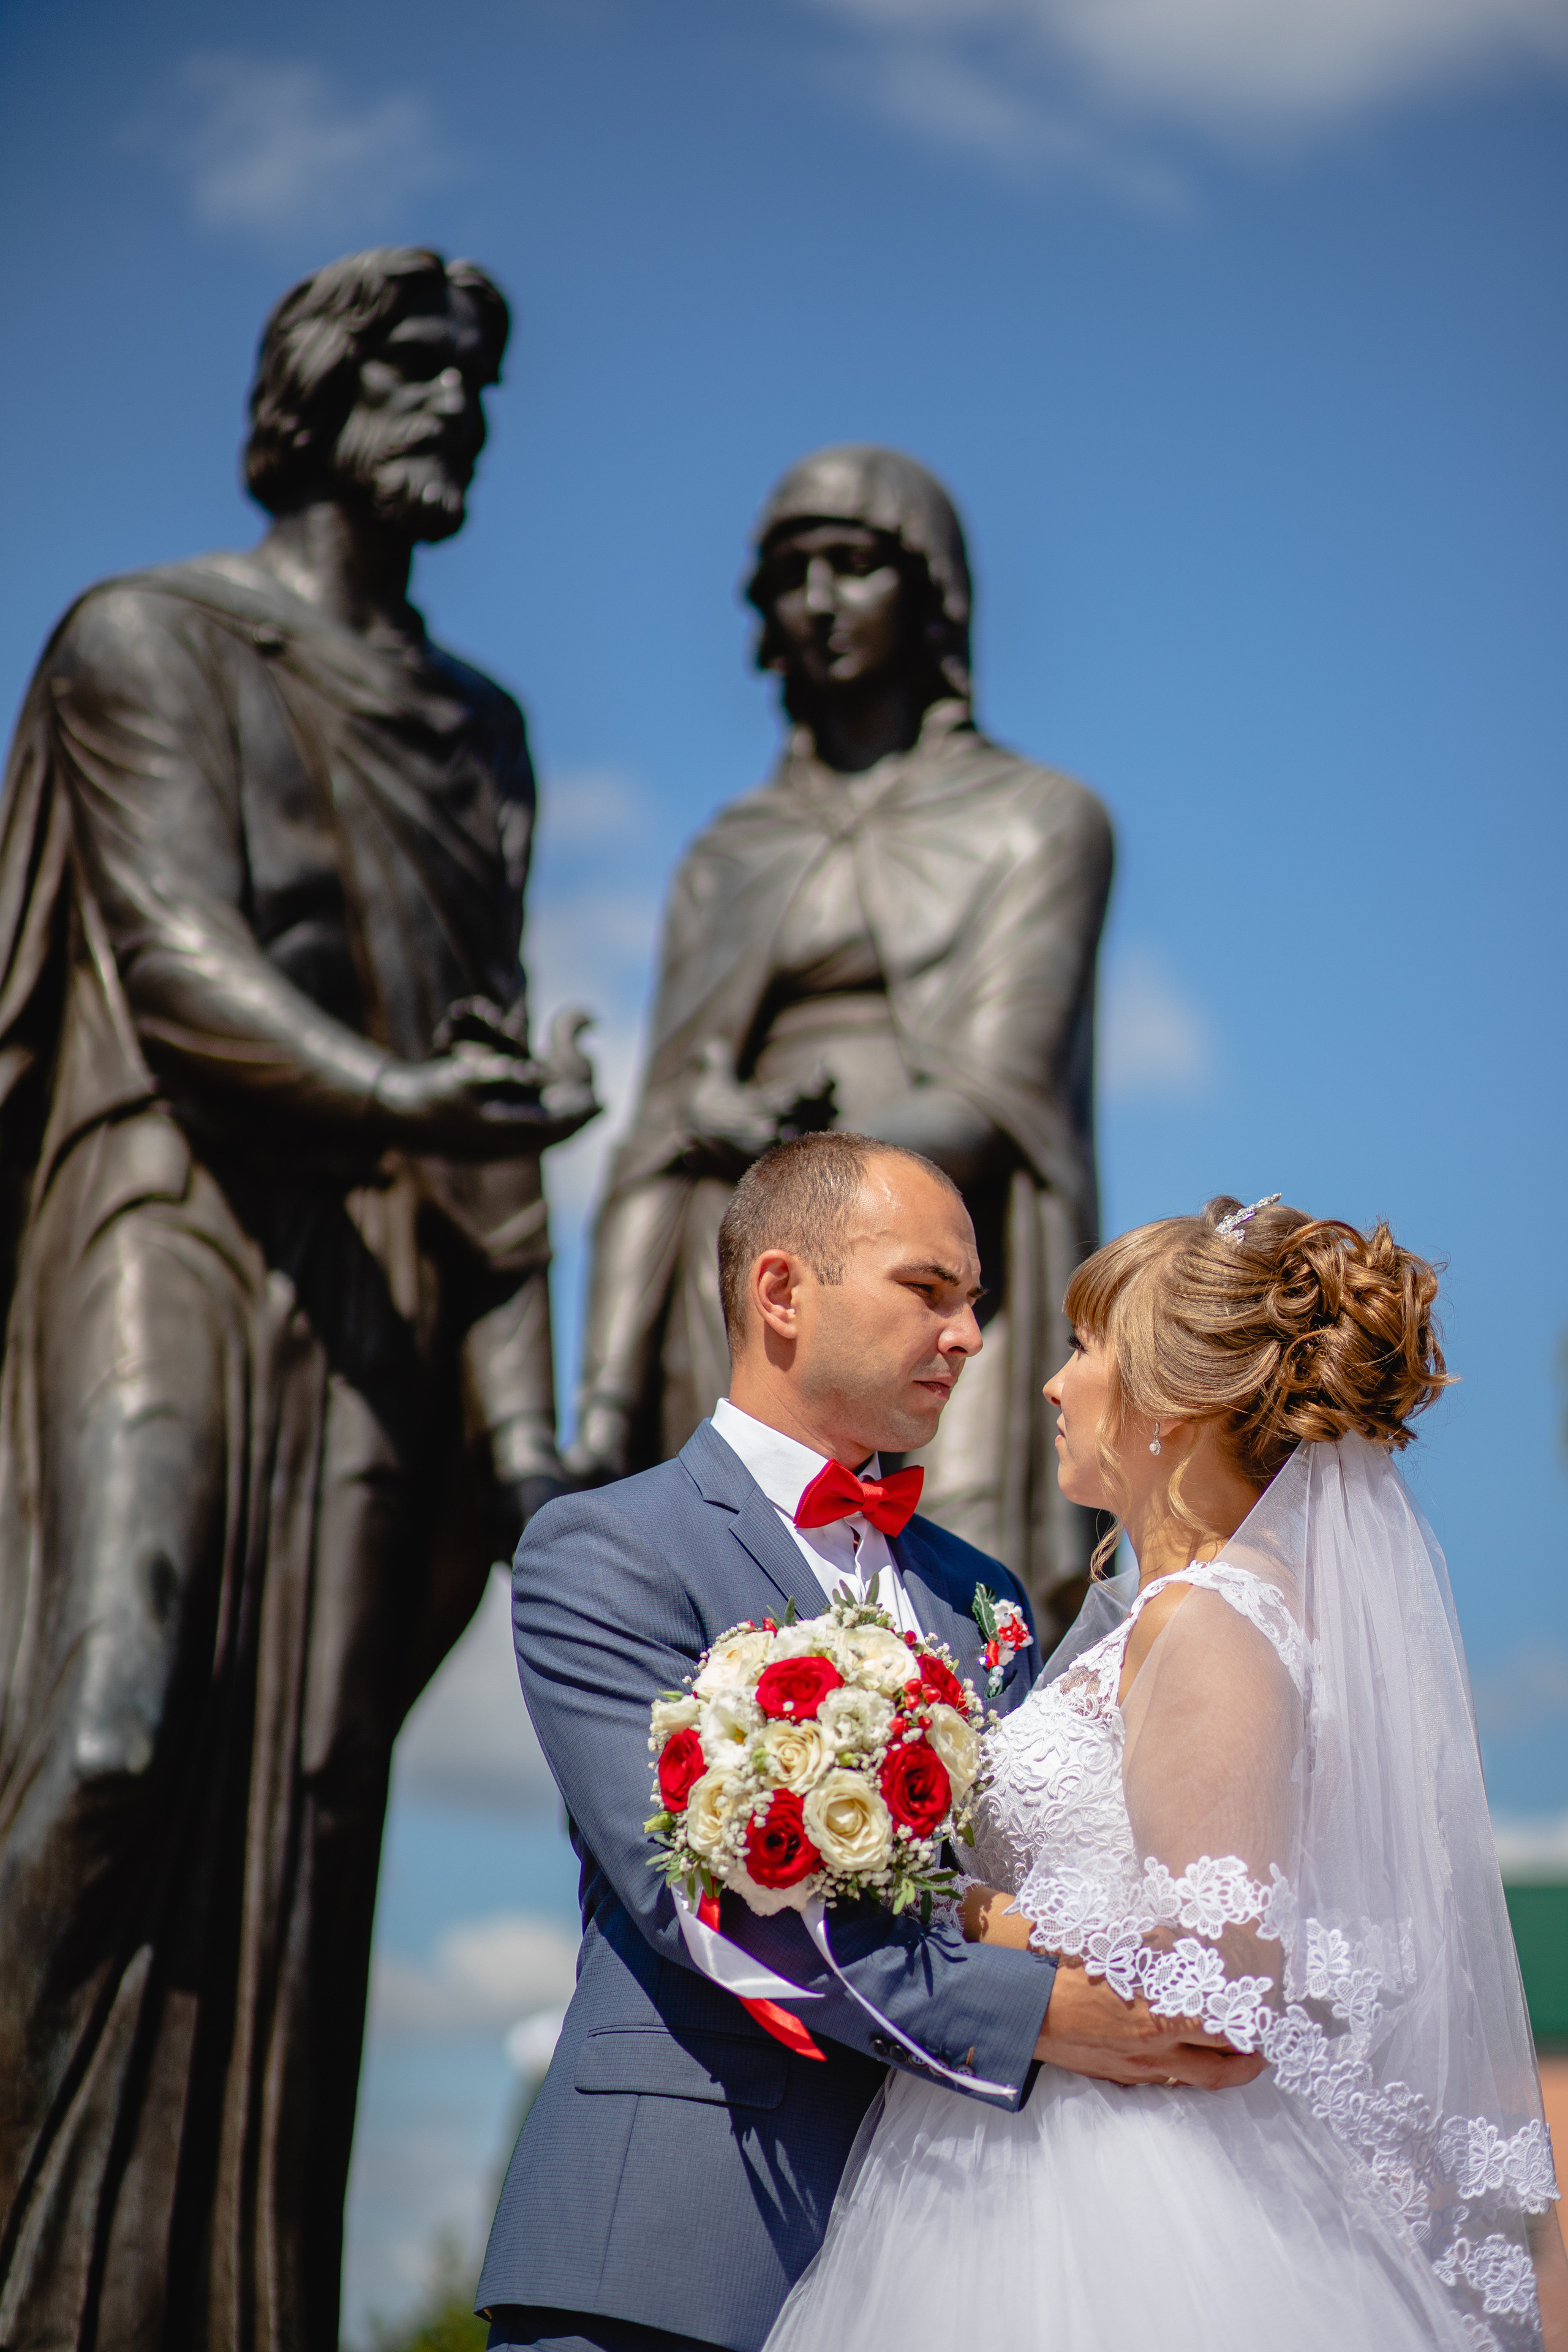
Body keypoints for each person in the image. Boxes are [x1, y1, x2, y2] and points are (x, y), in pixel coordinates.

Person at [0, 246, 595, 2350]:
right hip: (162, 1215)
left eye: (478, 388)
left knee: (319, 1825)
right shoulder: (143, 642)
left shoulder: (480, 733)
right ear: (315, 399)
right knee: (108, 1725)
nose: (460, 416)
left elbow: (492, 1092)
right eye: (419, 377)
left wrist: (531, 1443)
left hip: (376, 1301)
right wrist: (398, 1088)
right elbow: (173, 962)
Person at [478, 1133, 1259, 2352]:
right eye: (927, 1291)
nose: (968, 1337)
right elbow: (698, 1904)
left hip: (949, 2253)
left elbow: (1018, 1868)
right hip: (673, 2249)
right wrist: (1044, 2017)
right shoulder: (605, 1551)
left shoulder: (980, 1593)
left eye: (974, 1304)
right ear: (781, 1293)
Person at [763, 1194, 1568, 2352]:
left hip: (1112, 2187)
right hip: (1019, 2137)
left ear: (1175, 1406)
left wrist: (958, 1911)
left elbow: (1218, 1981)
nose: (1052, 1382)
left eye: (1088, 1348)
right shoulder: (1189, 1613)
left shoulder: (1208, 1622)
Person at [568, 445, 1113, 1632]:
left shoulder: (1036, 823)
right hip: (741, 1294)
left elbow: (993, 1095)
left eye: (853, 565)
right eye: (789, 575)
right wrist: (600, 1404)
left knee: (945, 1646)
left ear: (931, 596)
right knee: (724, 1685)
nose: (817, 603)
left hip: (946, 1288)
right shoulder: (728, 853)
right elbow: (655, 1129)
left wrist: (791, 1149)